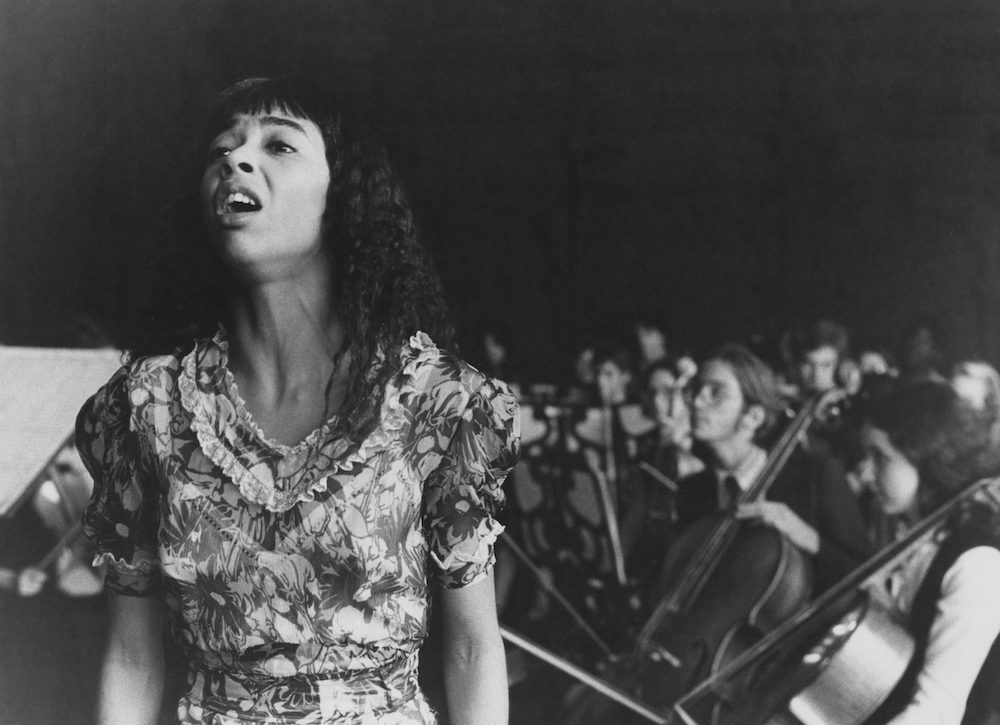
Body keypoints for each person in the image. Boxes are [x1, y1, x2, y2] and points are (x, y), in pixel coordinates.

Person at [76, 77, 519, 725]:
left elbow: (473, 649)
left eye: (279, 145)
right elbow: (131, 656)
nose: (236, 158)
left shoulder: (436, 400)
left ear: (343, 196)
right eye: (221, 148)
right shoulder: (148, 408)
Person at [675, 343, 872, 592]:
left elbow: (869, 577)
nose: (697, 401)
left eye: (716, 391)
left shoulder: (816, 476)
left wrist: (805, 535)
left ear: (753, 416)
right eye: (696, 389)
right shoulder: (691, 491)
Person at [859, 381, 1000, 725]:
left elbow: (935, 712)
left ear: (928, 459)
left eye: (880, 458)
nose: (865, 473)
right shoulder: (917, 537)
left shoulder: (977, 564)